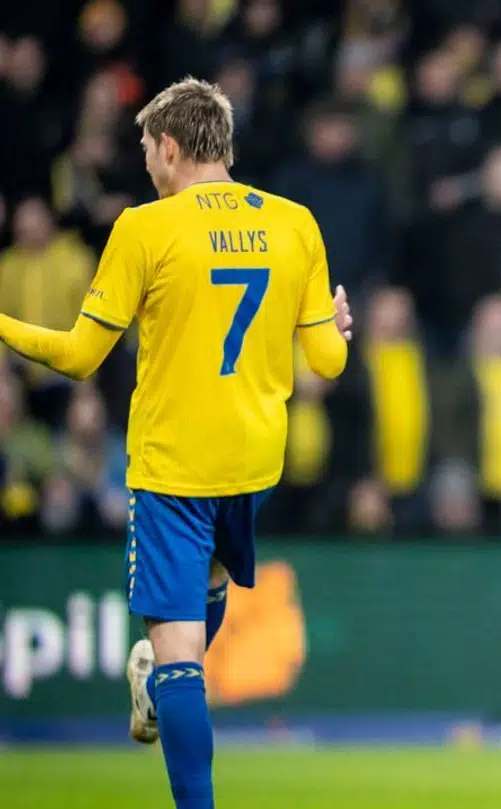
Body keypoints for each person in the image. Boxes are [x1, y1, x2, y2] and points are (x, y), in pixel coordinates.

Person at [0, 77, 352, 809]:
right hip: (253, 462)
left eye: (146, 151)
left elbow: (77, 357)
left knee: (181, 657)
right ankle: (157, 672)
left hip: (172, 466)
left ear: (169, 145)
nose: (147, 168)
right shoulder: (295, 223)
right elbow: (327, 363)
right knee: (210, 593)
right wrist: (333, 325)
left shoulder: (146, 227)